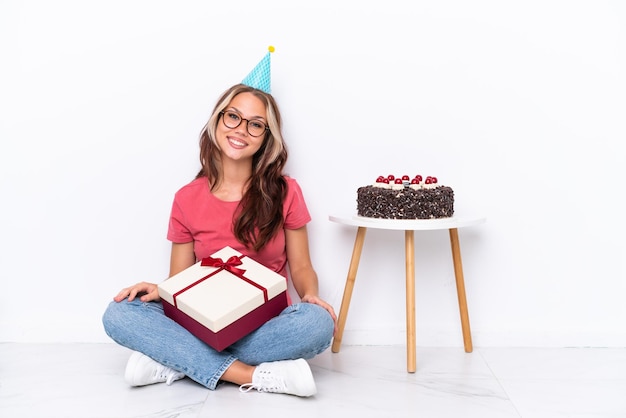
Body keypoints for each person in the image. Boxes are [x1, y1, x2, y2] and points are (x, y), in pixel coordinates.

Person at [102, 82, 337, 397]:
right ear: (217, 120)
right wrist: (160, 290)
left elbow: (302, 266)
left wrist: (310, 295)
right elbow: (181, 282)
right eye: (233, 117)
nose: (241, 130)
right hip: (202, 320)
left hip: (263, 322)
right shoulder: (186, 198)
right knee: (119, 312)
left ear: (267, 138)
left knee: (317, 324)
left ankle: (176, 361)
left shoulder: (286, 191)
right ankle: (251, 374)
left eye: (256, 125)